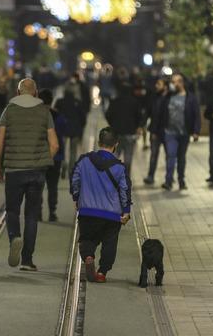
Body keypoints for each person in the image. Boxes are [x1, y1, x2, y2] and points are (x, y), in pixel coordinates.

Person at [0, 79, 59, 271]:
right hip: (37, 172)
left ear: (18, 92)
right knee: (31, 215)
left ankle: (15, 237)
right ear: (36, 93)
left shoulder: (9, 110)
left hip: (14, 170)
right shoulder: (44, 112)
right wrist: (43, 159)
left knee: (12, 211)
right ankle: (27, 260)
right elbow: (54, 145)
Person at [71, 127, 131, 283]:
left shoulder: (84, 161)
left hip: (88, 211)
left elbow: (75, 180)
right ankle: (102, 272)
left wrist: (77, 198)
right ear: (116, 144)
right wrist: (126, 211)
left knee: (87, 239)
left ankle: (88, 257)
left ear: (99, 142)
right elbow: (125, 189)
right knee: (110, 243)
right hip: (112, 215)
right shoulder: (120, 168)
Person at [149, 74, 201, 191]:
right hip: (170, 132)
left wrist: (196, 131)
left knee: (181, 157)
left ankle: (181, 180)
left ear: (181, 83)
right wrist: (155, 130)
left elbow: (196, 115)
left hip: (184, 133)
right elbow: (159, 114)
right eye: (172, 82)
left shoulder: (190, 98)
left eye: (175, 82)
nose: (172, 84)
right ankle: (168, 181)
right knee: (171, 156)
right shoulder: (167, 97)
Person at [105, 84, 144, 179]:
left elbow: (108, 115)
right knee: (128, 157)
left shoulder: (115, 102)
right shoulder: (134, 102)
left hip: (116, 133)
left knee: (115, 155)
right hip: (130, 133)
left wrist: (113, 124)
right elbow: (140, 117)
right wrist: (137, 127)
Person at [40, 89, 67, 222]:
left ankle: (38, 213)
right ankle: (52, 213)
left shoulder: (36, 116)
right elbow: (63, 133)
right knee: (53, 186)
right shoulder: (58, 116)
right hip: (56, 156)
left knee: (38, 186)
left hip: (40, 156)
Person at [55, 82, 86, 180]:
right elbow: (83, 118)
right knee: (73, 151)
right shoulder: (78, 102)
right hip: (75, 130)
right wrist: (81, 127)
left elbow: (55, 114)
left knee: (62, 149)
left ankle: (63, 164)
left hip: (62, 130)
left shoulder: (60, 102)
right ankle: (71, 169)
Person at [142, 79, 168, 185]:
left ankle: (169, 178)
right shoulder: (154, 98)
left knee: (169, 156)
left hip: (167, 132)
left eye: (159, 84)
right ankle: (150, 176)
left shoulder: (169, 98)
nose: (156, 86)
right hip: (155, 132)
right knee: (153, 155)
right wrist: (142, 125)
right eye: (156, 84)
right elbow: (148, 113)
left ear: (165, 86)